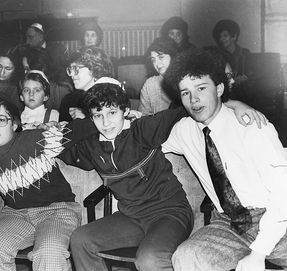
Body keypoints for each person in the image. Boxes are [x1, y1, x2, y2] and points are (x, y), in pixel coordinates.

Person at [58, 78, 262, 271]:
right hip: (131, 217)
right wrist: (47, 132)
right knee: (81, 239)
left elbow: (188, 108)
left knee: (150, 259)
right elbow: (62, 148)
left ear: (126, 111)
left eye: (112, 113)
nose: (106, 122)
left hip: (170, 214)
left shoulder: (143, 130)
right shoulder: (91, 146)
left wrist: (234, 104)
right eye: (98, 115)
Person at [162, 49, 287, 271]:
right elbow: (141, 137)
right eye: (185, 93)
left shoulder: (253, 127)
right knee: (186, 257)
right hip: (228, 222)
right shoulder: (183, 130)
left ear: (219, 88)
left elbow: (282, 196)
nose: (194, 99)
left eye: (201, 88)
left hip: (277, 220)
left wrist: (258, 254)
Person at [0, 95, 81, 271]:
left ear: (14, 125)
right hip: (15, 214)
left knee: (49, 252)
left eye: (1, 119)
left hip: (57, 210)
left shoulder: (35, 139)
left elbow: (76, 132)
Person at [59, 46, 113, 122]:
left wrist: (86, 120)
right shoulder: (69, 100)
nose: (71, 74)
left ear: (94, 69)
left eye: (76, 69)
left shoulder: (110, 99)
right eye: (70, 69)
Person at [212, 19, 250, 102]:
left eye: (225, 36)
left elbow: (249, 74)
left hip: (244, 93)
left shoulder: (245, 53)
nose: (221, 39)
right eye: (220, 36)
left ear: (234, 36)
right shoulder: (217, 54)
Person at [138, 37, 178, 115]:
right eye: (153, 60)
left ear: (173, 57)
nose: (157, 64)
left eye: (161, 57)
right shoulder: (150, 84)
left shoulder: (185, 81)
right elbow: (143, 118)